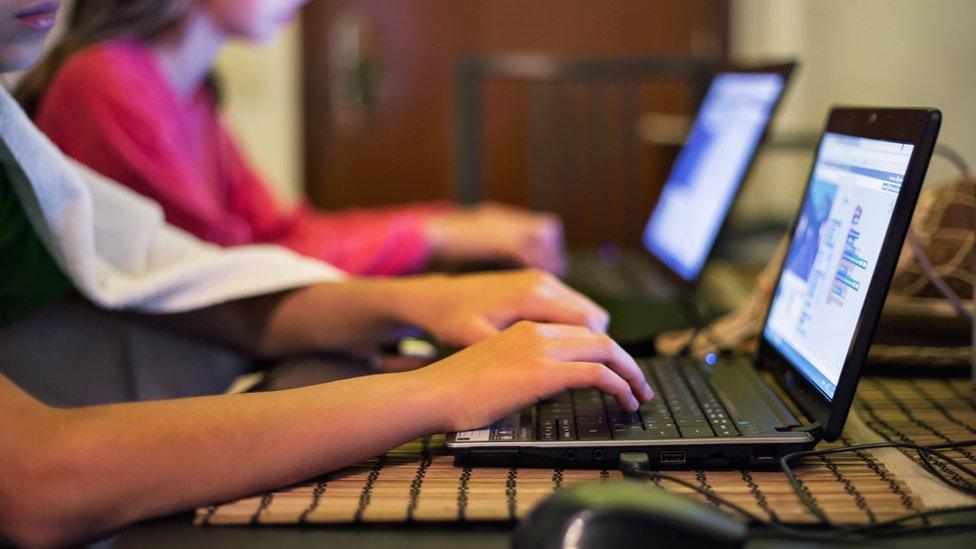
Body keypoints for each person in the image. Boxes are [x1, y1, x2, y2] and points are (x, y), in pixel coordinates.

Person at [0, 2, 651, 544]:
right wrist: (442, 385)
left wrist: (430, 296)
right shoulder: (103, 81)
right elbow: (40, 477)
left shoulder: (164, 94)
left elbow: (224, 278)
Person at [15, 0, 567, 276]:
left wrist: (450, 227)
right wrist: (436, 236)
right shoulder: (106, 80)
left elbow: (278, 231)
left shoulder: (190, 90)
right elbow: (226, 272)